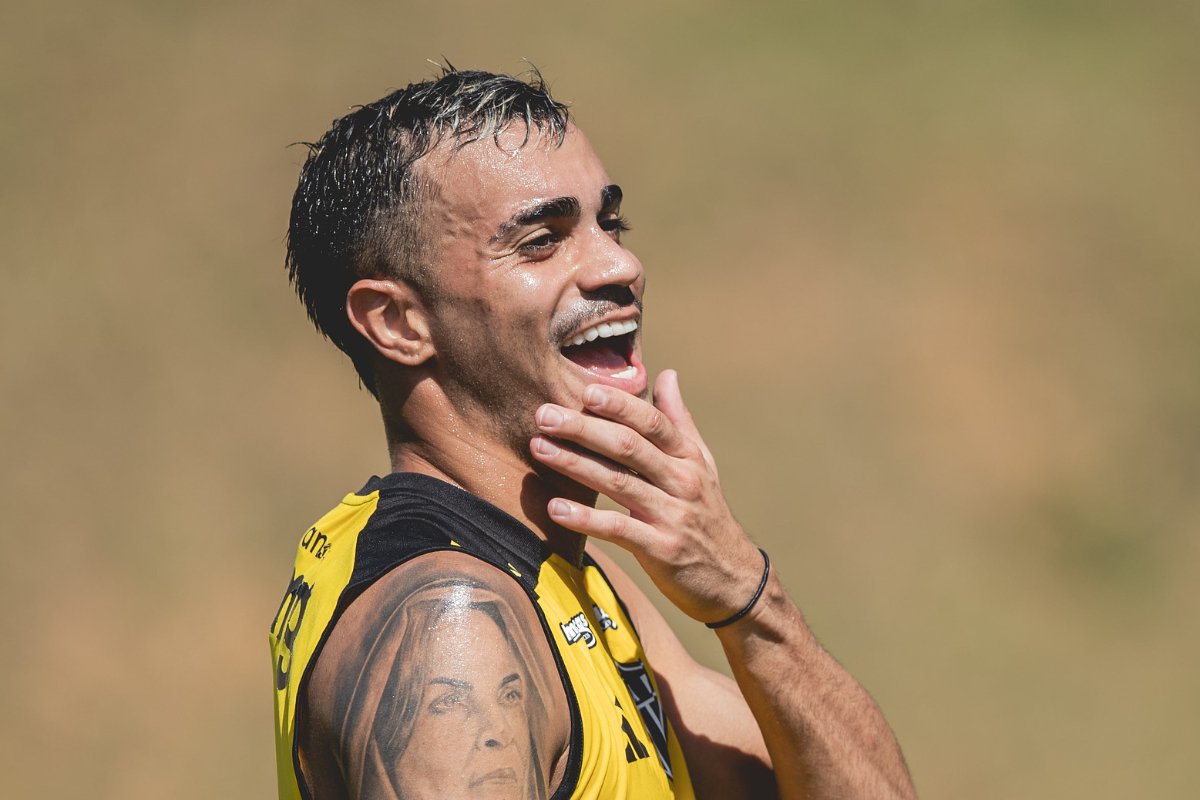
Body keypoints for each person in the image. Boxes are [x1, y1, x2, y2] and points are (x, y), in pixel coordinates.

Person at [270, 68, 916, 800]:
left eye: (610, 224)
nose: (620, 265)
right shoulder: (456, 634)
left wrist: (744, 592)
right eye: (542, 241)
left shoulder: (561, 573)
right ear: (398, 322)